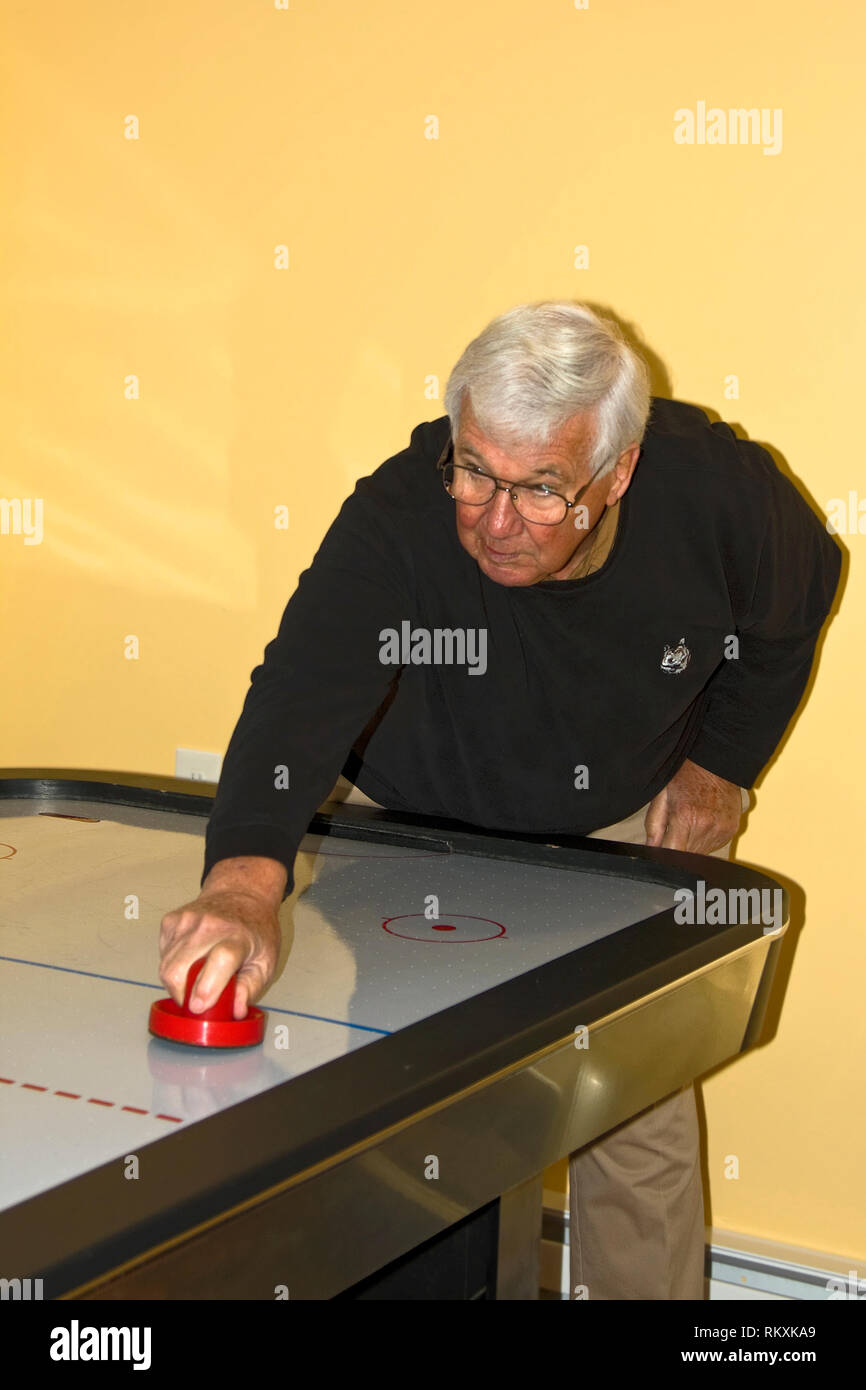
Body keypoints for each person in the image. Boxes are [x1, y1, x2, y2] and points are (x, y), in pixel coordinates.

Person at [158, 301, 841, 1299]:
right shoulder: (398, 509)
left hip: (612, 816)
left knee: (631, 1107)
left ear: (616, 475)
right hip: (414, 811)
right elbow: (298, 697)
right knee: (418, 1101)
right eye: (473, 470)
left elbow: (800, 596)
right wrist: (241, 885)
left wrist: (721, 765)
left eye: (539, 489)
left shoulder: (717, 494)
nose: (492, 519)